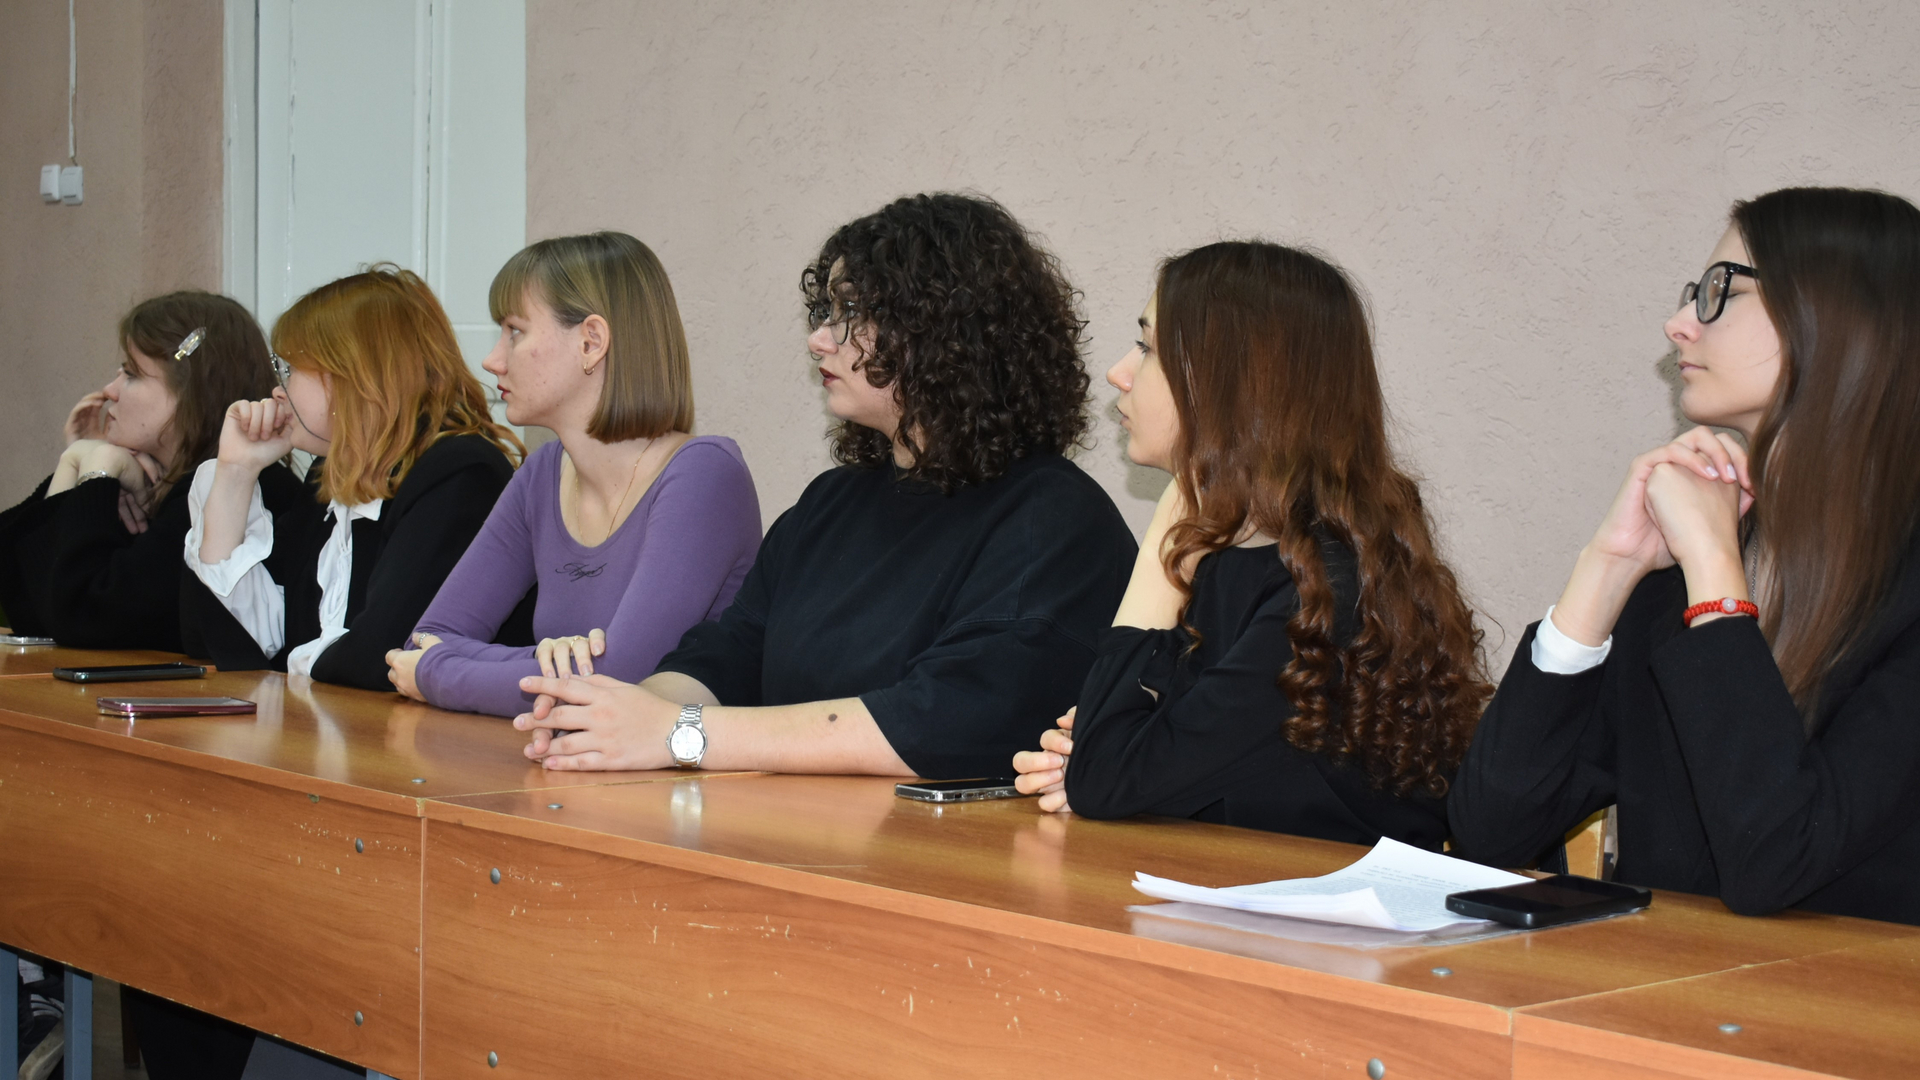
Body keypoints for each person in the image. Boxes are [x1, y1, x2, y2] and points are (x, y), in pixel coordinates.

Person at [511, 193, 1136, 778]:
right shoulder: (830, 503)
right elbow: (725, 658)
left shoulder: (1053, 519)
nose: (818, 339)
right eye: (825, 313)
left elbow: (945, 720)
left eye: (852, 314)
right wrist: (608, 718)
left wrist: (679, 735)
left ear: (944, 332)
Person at [1449, 187, 1920, 925]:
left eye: (1720, 291)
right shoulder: (1679, 572)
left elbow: (1776, 863)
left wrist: (1714, 575)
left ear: (1837, 315)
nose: (1678, 324)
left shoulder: (1889, 586)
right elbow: (1489, 832)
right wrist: (1607, 567)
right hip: (1663, 989)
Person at [1011, 242, 1491, 849]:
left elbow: (1107, 779)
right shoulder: (1235, 564)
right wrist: (1096, 759)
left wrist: (1164, 542)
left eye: (1149, 349)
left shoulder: (1324, 593)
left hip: (1328, 906)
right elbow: (1124, 764)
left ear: (1234, 384)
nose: (1118, 373)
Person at [387, 232, 761, 716]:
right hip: (562, 756)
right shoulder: (541, 474)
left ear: (591, 342)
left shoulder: (705, 475)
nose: (492, 360)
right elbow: (425, 640)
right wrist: (552, 665)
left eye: (515, 331)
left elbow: (619, 679)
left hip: (684, 765)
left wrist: (439, 672)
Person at [178, 266, 528, 690]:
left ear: (354, 377)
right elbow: (211, 638)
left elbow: (383, 654)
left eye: (290, 369)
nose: (277, 390)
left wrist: (290, 661)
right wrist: (235, 473)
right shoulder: (330, 473)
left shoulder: (460, 473)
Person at [0, 292, 277, 649]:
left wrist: (98, 476)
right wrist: (76, 465)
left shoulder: (231, 486)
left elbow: (84, 617)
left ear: (192, 390)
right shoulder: (155, 479)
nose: (110, 391)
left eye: (131, 374)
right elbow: (30, 607)